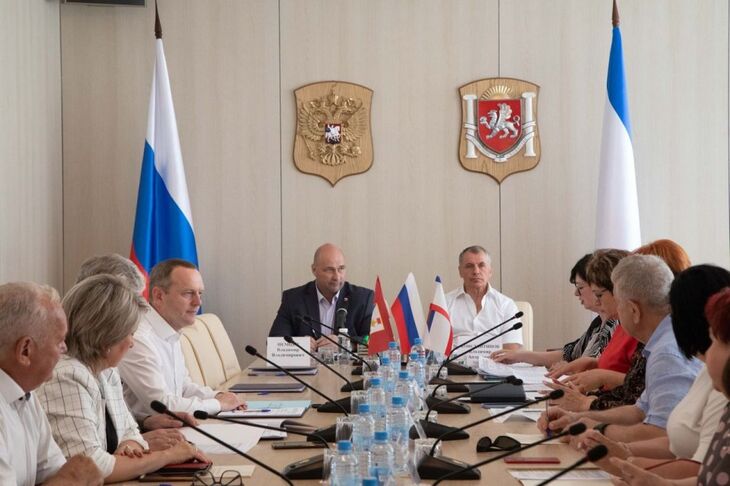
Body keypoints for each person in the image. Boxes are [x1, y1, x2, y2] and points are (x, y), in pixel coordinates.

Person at [38, 275, 206, 483]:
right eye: (130, 333)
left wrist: (127, 451)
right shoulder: (66, 376)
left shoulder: (106, 370)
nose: (132, 343)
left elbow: (130, 432)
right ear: (107, 336)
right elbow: (91, 466)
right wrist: (167, 456)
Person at [580, 265, 730, 479]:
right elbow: (673, 441)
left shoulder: (669, 354)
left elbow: (701, 471)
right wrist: (621, 452)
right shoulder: (706, 372)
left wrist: (622, 458)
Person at [540, 255, 703, 444]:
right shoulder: (660, 341)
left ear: (634, 310)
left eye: (618, 303)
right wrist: (578, 420)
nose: (616, 312)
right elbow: (639, 411)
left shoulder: (667, 353)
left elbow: (662, 434)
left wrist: (595, 429)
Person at [75, 253, 196, 447]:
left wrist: (143, 422)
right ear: (98, 299)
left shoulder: (105, 358)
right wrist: (148, 448)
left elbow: (107, 423)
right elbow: (89, 457)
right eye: (128, 302)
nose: (138, 311)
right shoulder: (70, 366)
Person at [0, 282, 104, 486]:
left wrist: (71, 478)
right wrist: (72, 479)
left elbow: (53, 471)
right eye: (59, 341)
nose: (64, 349)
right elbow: (67, 479)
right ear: (25, 350)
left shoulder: (25, 394)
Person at [118, 259, 246, 421]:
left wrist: (219, 396)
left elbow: (183, 388)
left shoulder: (171, 328)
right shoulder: (138, 337)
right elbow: (163, 405)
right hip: (146, 431)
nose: (198, 302)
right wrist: (219, 404)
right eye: (188, 293)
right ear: (159, 296)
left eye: (200, 293)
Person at [491, 253, 617, 366]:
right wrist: (519, 356)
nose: (576, 293)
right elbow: (568, 354)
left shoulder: (615, 326)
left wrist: (571, 370)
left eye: (580, 287)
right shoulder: (598, 324)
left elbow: (597, 371)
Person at [547, 249, 636, 392]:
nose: (597, 302)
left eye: (599, 294)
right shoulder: (621, 326)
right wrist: (594, 364)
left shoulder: (636, 331)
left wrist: (599, 378)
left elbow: (643, 390)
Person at [269, 243, 375, 350]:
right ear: (314, 270)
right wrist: (298, 344)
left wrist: (345, 344)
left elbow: (375, 340)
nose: (337, 277)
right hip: (308, 360)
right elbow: (274, 342)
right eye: (329, 270)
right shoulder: (293, 299)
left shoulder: (363, 299)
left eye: (341, 268)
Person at [446, 245, 523, 351]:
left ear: (490, 271)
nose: (476, 271)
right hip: (454, 361)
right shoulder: (445, 303)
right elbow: (434, 347)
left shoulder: (506, 305)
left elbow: (511, 350)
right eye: (469, 266)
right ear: (460, 271)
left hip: (496, 361)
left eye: (481, 265)